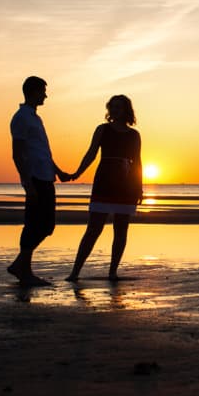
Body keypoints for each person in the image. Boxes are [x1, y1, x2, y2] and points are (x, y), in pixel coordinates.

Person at [66, 95, 143, 282]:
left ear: (126, 110)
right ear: (109, 110)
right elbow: (91, 153)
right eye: (113, 107)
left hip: (126, 184)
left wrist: (139, 187)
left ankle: (112, 272)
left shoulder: (134, 135)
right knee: (93, 229)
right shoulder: (102, 130)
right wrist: (77, 173)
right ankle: (75, 272)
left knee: (121, 230)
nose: (116, 110)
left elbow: (138, 162)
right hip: (104, 181)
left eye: (120, 107)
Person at [8, 76, 71, 286]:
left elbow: (43, 151)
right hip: (34, 178)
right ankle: (24, 270)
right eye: (43, 91)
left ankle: (20, 264)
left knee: (46, 226)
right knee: (34, 224)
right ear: (33, 91)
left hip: (46, 176)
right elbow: (18, 154)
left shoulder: (36, 118)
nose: (46, 95)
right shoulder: (21, 118)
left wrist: (59, 171)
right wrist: (28, 184)